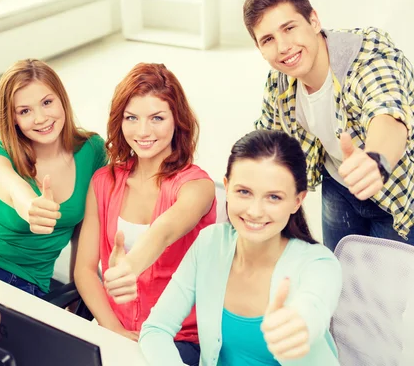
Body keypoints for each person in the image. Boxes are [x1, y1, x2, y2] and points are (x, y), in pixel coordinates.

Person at [140, 130, 342, 366]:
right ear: (227, 187)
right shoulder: (210, 243)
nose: (255, 211)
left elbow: (313, 306)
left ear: (297, 201)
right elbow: (156, 329)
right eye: (244, 192)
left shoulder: (319, 264)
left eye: (274, 197)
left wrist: (298, 324)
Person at [245, 0, 414, 251]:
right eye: (268, 39)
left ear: (313, 21)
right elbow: (267, 139)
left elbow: (388, 115)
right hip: (339, 185)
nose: (283, 47)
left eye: (289, 28)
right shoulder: (280, 79)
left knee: (389, 288)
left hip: (396, 190)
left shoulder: (367, 58)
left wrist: (377, 160)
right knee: (341, 276)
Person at [75, 63, 217, 366]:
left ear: (177, 121)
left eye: (157, 118)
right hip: (114, 331)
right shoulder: (104, 181)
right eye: (132, 118)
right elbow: (84, 270)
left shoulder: (197, 185)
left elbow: (163, 231)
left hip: (178, 338)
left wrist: (128, 267)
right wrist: (113, 330)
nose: (143, 131)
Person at [0, 59, 107, 297]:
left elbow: (83, 232)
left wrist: (77, 293)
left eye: (47, 102)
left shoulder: (92, 150)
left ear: (61, 99)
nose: (40, 118)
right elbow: (14, 189)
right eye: (25, 111)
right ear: (13, 118)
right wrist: (30, 207)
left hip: (33, 286)